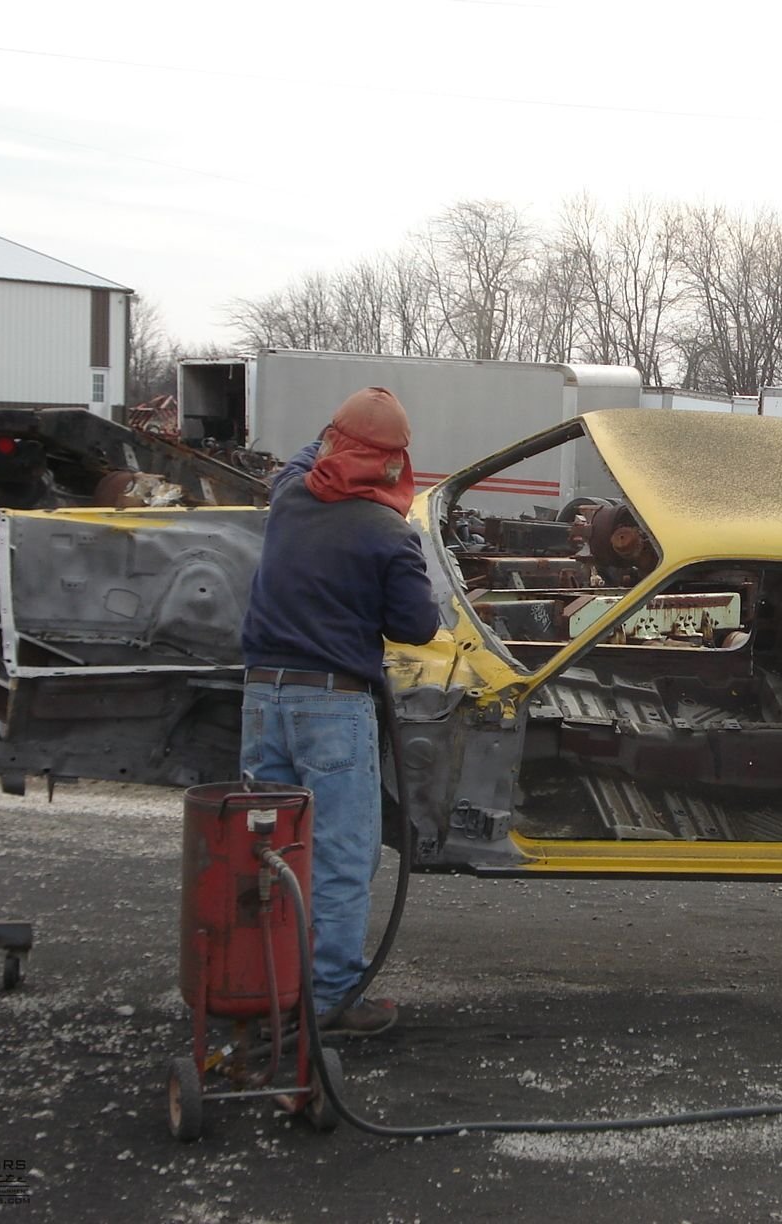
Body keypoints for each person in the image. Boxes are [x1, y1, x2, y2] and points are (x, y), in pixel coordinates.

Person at [239, 387, 440, 1037]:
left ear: (331, 445)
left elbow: (304, 458)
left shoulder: (291, 496)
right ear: (393, 466)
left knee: (265, 849)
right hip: (332, 704)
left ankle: (259, 989)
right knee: (342, 855)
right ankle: (327, 999)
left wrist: (334, 435)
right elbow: (416, 626)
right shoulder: (388, 534)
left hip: (261, 699)